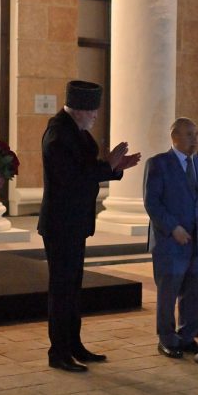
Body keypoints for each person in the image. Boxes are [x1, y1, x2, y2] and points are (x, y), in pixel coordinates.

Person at [38, 81, 141, 372]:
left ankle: (74, 344)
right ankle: (58, 352)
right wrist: (108, 166)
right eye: (93, 110)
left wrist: (114, 168)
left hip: (75, 222)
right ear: (79, 109)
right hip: (61, 223)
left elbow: (88, 169)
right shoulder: (58, 134)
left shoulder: (76, 131)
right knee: (62, 289)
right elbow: (71, 177)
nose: (96, 115)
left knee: (73, 288)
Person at [145, 118, 198, 359]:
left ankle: (188, 337)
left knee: (194, 293)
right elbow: (152, 202)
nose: (195, 139)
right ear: (175, 137)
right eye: (189, 134)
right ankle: (167, 339)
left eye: (197, 134)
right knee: (168, 293)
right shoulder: (158, 163)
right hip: (170, 242)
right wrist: (173, 228)